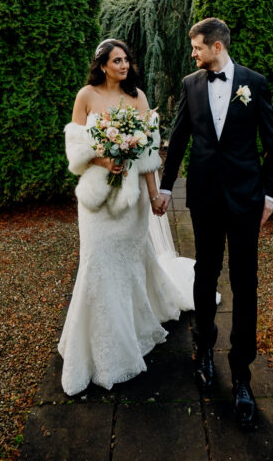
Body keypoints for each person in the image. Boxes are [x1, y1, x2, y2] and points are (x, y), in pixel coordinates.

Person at [154, 17, 273, 431]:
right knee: (204, 274)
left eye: (197, 47)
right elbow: (180, 139)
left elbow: (271, 142)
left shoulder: (254, 83)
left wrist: (271, 193)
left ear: (217, 46)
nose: (193, 54)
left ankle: (242, 373)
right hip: (205, 197)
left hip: (245, 200)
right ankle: (204, 350)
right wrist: (167, 188)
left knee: (246, 282)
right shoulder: (192, 85)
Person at [58, 38, 192, 395]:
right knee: (96, 262)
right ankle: (93, 343)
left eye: (126, 60)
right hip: (96, 200)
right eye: (117, 60)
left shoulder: (139, 98)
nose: (124, 65)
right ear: (102, 65)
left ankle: (131, 328)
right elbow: (75, 148)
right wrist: (104, 159)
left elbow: (148, 152)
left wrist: (154, 195)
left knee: (130, 263)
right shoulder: (86, 95)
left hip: (131, 198)